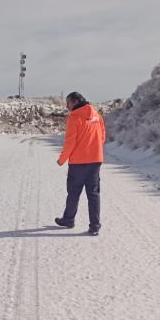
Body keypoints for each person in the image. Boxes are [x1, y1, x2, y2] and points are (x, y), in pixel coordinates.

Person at [55, 92, 106, 235]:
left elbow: (70, 141)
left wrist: (62, 159)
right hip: (96, 161)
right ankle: (95, 226)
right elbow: (102, 137)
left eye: (68, 103)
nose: (67, 106)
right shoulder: (97, 116)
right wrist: (94, 151)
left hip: (78, 162)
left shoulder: (74, 117)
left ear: (76, 101)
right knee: (93, 194)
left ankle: (68, 219)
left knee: (73, 192)